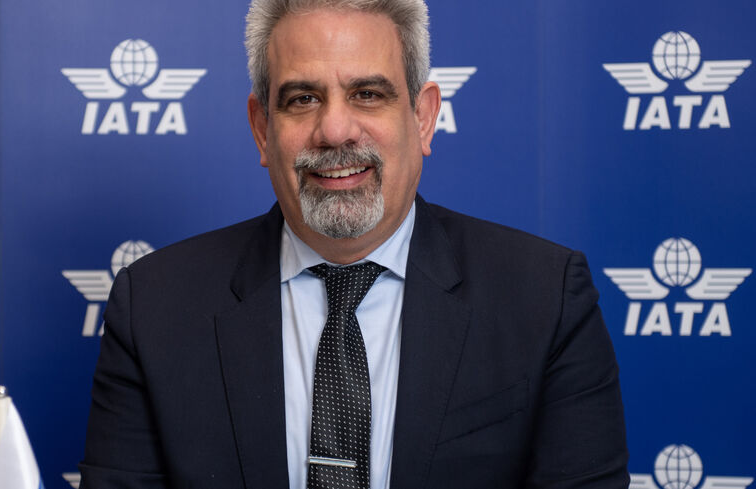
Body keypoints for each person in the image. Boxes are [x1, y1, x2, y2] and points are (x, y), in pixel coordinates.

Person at [79, 0, 629, 487]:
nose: (335, 130)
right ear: (262, 129)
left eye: (367, 94)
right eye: (302, 99)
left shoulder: (545, 300)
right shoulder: (154, 307)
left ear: (423, 117)